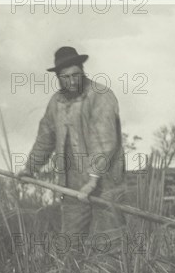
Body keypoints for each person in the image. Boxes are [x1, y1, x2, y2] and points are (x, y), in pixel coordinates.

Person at [18, 46, 126, 255]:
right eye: (65, 77)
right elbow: (45, 138)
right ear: (58, 78)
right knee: (69, 246)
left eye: (76, 74)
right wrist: (30, 168)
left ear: (83, 71)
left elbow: (104, 141)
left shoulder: (100, 96)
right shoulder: (56, 103)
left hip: (105, 184)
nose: (72, 81)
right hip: (72, 187)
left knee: (110, 245)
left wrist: (93, 180)